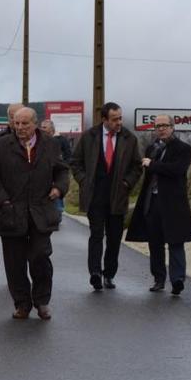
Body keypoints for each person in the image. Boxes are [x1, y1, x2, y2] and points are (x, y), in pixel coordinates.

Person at [0, 107, 69, 320]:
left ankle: (42, 301)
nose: (20, 128)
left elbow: (61, 170)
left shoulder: (50, 144)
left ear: (35, 123)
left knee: (40, 256)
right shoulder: (3, 145)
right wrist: (3, 200)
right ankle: (22, 303)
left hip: (41, 210)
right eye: (17, 123)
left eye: (25, 124)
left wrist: (59, 188)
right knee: (14, 262)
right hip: (12, 210)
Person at [70, 102, 142, 291]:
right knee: (96, 235)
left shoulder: (129, 138)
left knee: (114, 237)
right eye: (114, 119)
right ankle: (95, 273)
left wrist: (127, 183)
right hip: (95, 196)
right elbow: (75, 162)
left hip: (118, 196)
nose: (119, 122)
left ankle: (109, 274)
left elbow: (137, 166)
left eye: (120, 118)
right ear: (104, 120)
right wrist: (84, 181)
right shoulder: (89, 137)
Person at [126, 114, 191, 295]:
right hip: (153, 201)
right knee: (155, 243)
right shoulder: (152, 148)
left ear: (173, 127)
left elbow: (176, 170)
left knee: (175, 242)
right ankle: (159, 279)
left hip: (173, 204)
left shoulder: (183, 149)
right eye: (158, 126)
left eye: (165, 125)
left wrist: (153, 164)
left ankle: (177, 280)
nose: (161, 129)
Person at [40, 119, 73, 214]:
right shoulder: (39, 140)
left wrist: (64, 167)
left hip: (57, 171)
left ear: (51, 129)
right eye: (41, 127)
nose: (42, 129)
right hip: (44, 172)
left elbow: (68, 155)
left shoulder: (62, 140)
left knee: (57, 189)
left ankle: (58, 211)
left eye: (44, 127)